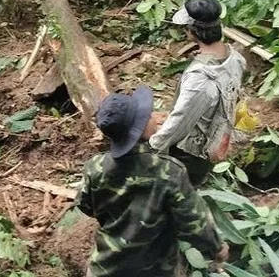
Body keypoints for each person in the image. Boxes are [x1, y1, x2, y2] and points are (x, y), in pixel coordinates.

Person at [76, 85, 228, 277]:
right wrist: (217, 247)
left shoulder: (94, 167)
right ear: (138, 131)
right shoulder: (169, 171)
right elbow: (194, 223)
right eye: (146, 116)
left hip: (105, 269)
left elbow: (85, 205)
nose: (153, 117)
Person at [149, 0, 246, 186]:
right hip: (215, 139)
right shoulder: (235, 59)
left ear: (192, 32)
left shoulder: (200, 79)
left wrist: (151, 147)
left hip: (189, 155)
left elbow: (180, 122)